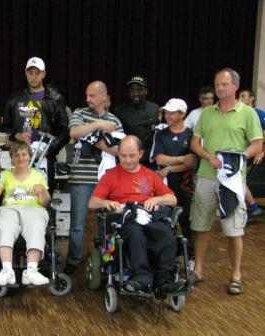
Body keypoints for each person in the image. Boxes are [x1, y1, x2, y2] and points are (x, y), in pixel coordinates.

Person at [190, 68, 263, 295]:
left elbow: (257, 144)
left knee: (234, 230)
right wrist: (208, 156)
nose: (220, 88)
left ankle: (236, 275)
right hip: (206, 176)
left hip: (232, 181)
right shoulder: (207, 113)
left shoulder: (247, 113)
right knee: (201, 226)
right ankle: (198, 270)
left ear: (235, 86)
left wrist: (239, 157)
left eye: (224, 84)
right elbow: (194, 143)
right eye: (217, 85)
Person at [88, 136, 184, 297]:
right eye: (123, 155)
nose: (127, 160)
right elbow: (92, 202)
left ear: (141, 154)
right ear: (118, 154)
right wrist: (107, 203)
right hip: (124, 220)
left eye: (131, 155)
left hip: (149, 217)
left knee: (167, 234)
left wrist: (156, 199)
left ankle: (164, 283)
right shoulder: (110, 176)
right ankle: (142, 279)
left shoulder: (150, 175)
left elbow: (172, 199)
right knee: (134, 232)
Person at [64, 81, 123, 276]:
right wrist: (98, 125)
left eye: (92, 95)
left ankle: (106, 260)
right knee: (77, 223)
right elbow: (74, 132)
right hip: (81, 176)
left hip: (107, 179)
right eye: (87, 95)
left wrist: (103, 146)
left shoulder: (114, 121)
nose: (88, 99)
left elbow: (121, 151)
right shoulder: (79, 113)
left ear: (103, 96)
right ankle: (73, 260)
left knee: (107, 223)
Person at [0, 141, 51, 287]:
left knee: (36, 223)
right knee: (5, 224)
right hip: (10, 209)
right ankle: (7, 271)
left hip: (33, 208)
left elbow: (46, 202)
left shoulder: (38, 175)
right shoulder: (4, 174)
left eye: (24, 154)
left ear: (29, 156)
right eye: (17, 155)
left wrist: (42, 191)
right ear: (12, 158)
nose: (21, 158)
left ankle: (32, 271)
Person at [1, 57, 69, 189]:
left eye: (37, 73)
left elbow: (64, 131)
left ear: (44, 74)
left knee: (43, 194)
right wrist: (16, 135)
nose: (33, 77)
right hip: (20, 155)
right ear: (25, 73)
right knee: (19, 193)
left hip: (45, 156)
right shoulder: (15, 98)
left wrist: (48, 151)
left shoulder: (55, 98)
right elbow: (5, 127)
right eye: (30, 72)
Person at [150, 98, 197, 255]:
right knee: (163, 219)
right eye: (166, 113)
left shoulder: (191, 135)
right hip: (164, 185)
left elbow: (191, 163)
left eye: (171, 113)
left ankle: (189, 256)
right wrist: (181, 159)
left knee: (186, 221)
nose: (167, 116)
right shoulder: (161, 134)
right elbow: (159, 159)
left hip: (185, 185)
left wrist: (169, 168)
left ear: (182, 114)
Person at [115, 75, 159, 165]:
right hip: (129, 159)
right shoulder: (120, 111)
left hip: (149, 159)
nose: (135, 93)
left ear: (146, 91)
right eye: (132, 90)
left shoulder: (154, 108)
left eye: (139, 90)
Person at [239, 88, 265, 217]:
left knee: (241, 180)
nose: (240, 99)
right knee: (240, 180)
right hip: (244, 152)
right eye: (239, 96)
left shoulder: (259, 114)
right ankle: (252, 207)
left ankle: (253, 207)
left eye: (243, 96)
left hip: (255, 154)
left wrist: (262, 151)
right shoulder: (239, 114)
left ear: (251, 98)